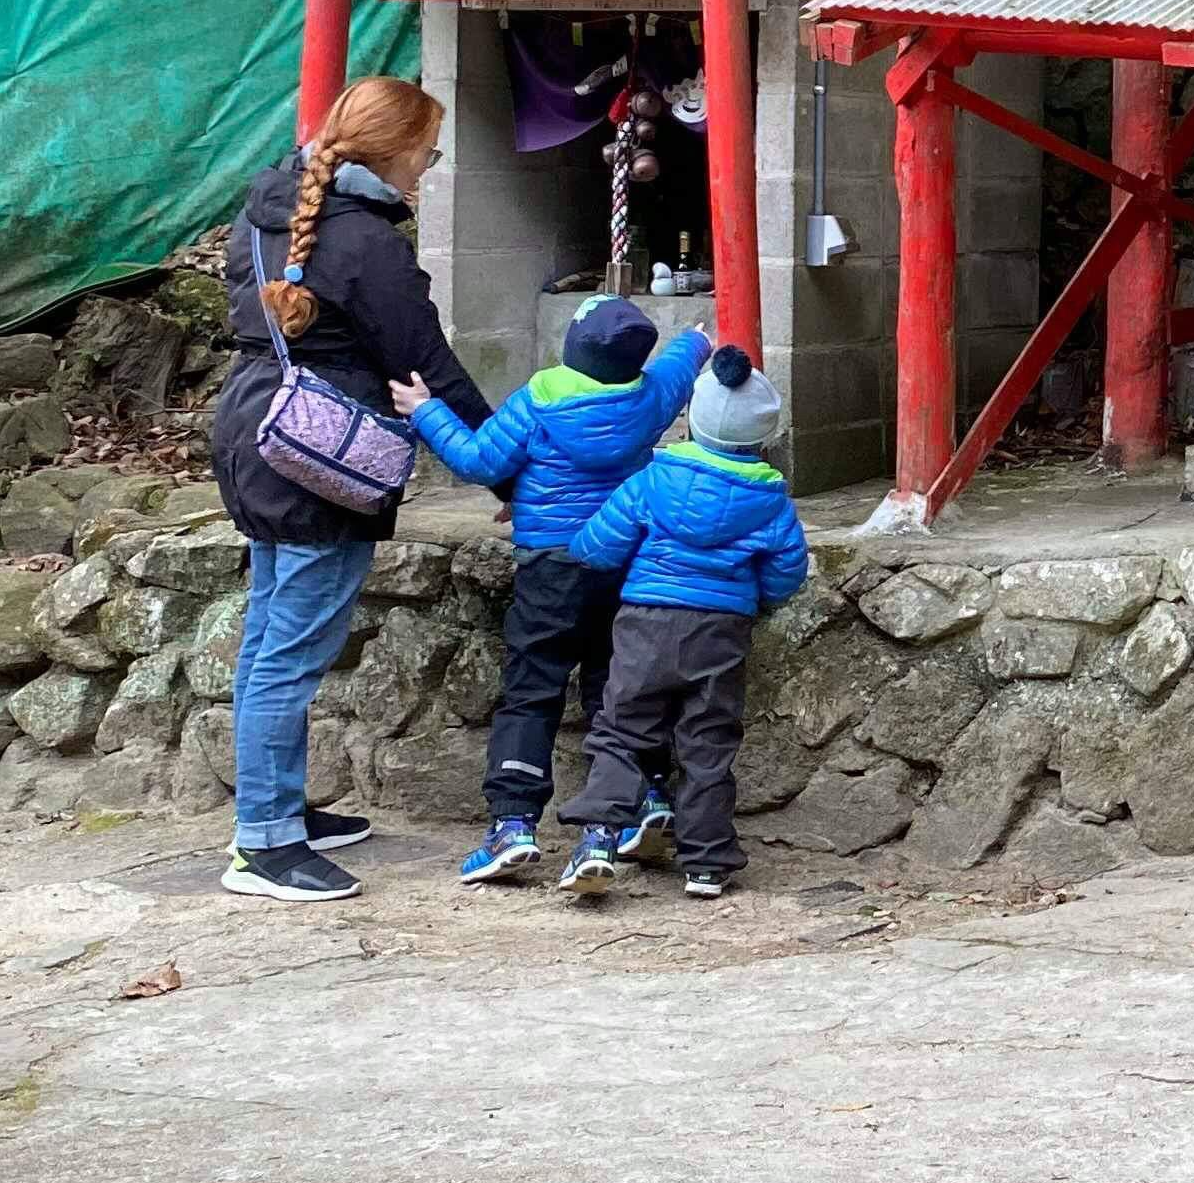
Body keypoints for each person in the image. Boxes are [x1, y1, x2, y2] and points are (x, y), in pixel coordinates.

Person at [207, 74, 487, 903]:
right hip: (321, 456)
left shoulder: (263, 211)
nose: (428, 167)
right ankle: (263, 843)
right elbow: (423, 361)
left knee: (268, 639)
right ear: (394, 154)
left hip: (257, 429)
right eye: (428, 152)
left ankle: (278, 810)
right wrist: (502, 457)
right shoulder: (365, 241)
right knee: (287, 658)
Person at [392, 299, 714, 887]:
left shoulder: (539, 400)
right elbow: (680, 363)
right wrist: (696, 339)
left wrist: (425, 410)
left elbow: (475, 460)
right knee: (619, 690)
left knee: (531, 691)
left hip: (551, 567)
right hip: (624, 562)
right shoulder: (650, 397)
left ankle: (513, 824)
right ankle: (645, 798)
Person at [548, 346, 810, 901]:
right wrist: (754, 593)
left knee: (621, 730)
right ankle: (707, 863)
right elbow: (786, 573)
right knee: (708, 742)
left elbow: (596, 544)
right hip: (721, 628)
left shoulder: (653, 480)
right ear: (762, 433)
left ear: (693, 418)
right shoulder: (771, 501)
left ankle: (597, 841)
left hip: (646, 621)